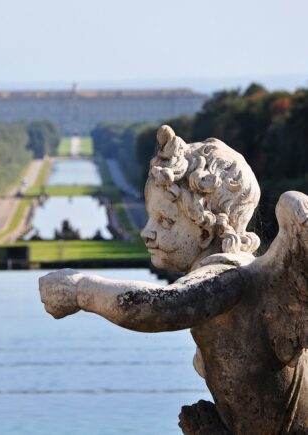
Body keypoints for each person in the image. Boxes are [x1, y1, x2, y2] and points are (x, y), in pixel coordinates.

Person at [39, 126, 308, 434]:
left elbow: (159, 308)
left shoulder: (228, 278)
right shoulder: (231, 275)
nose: (147, 232)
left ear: (205, 232)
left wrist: (80, 290)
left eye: (165, 221)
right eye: (151, 218)